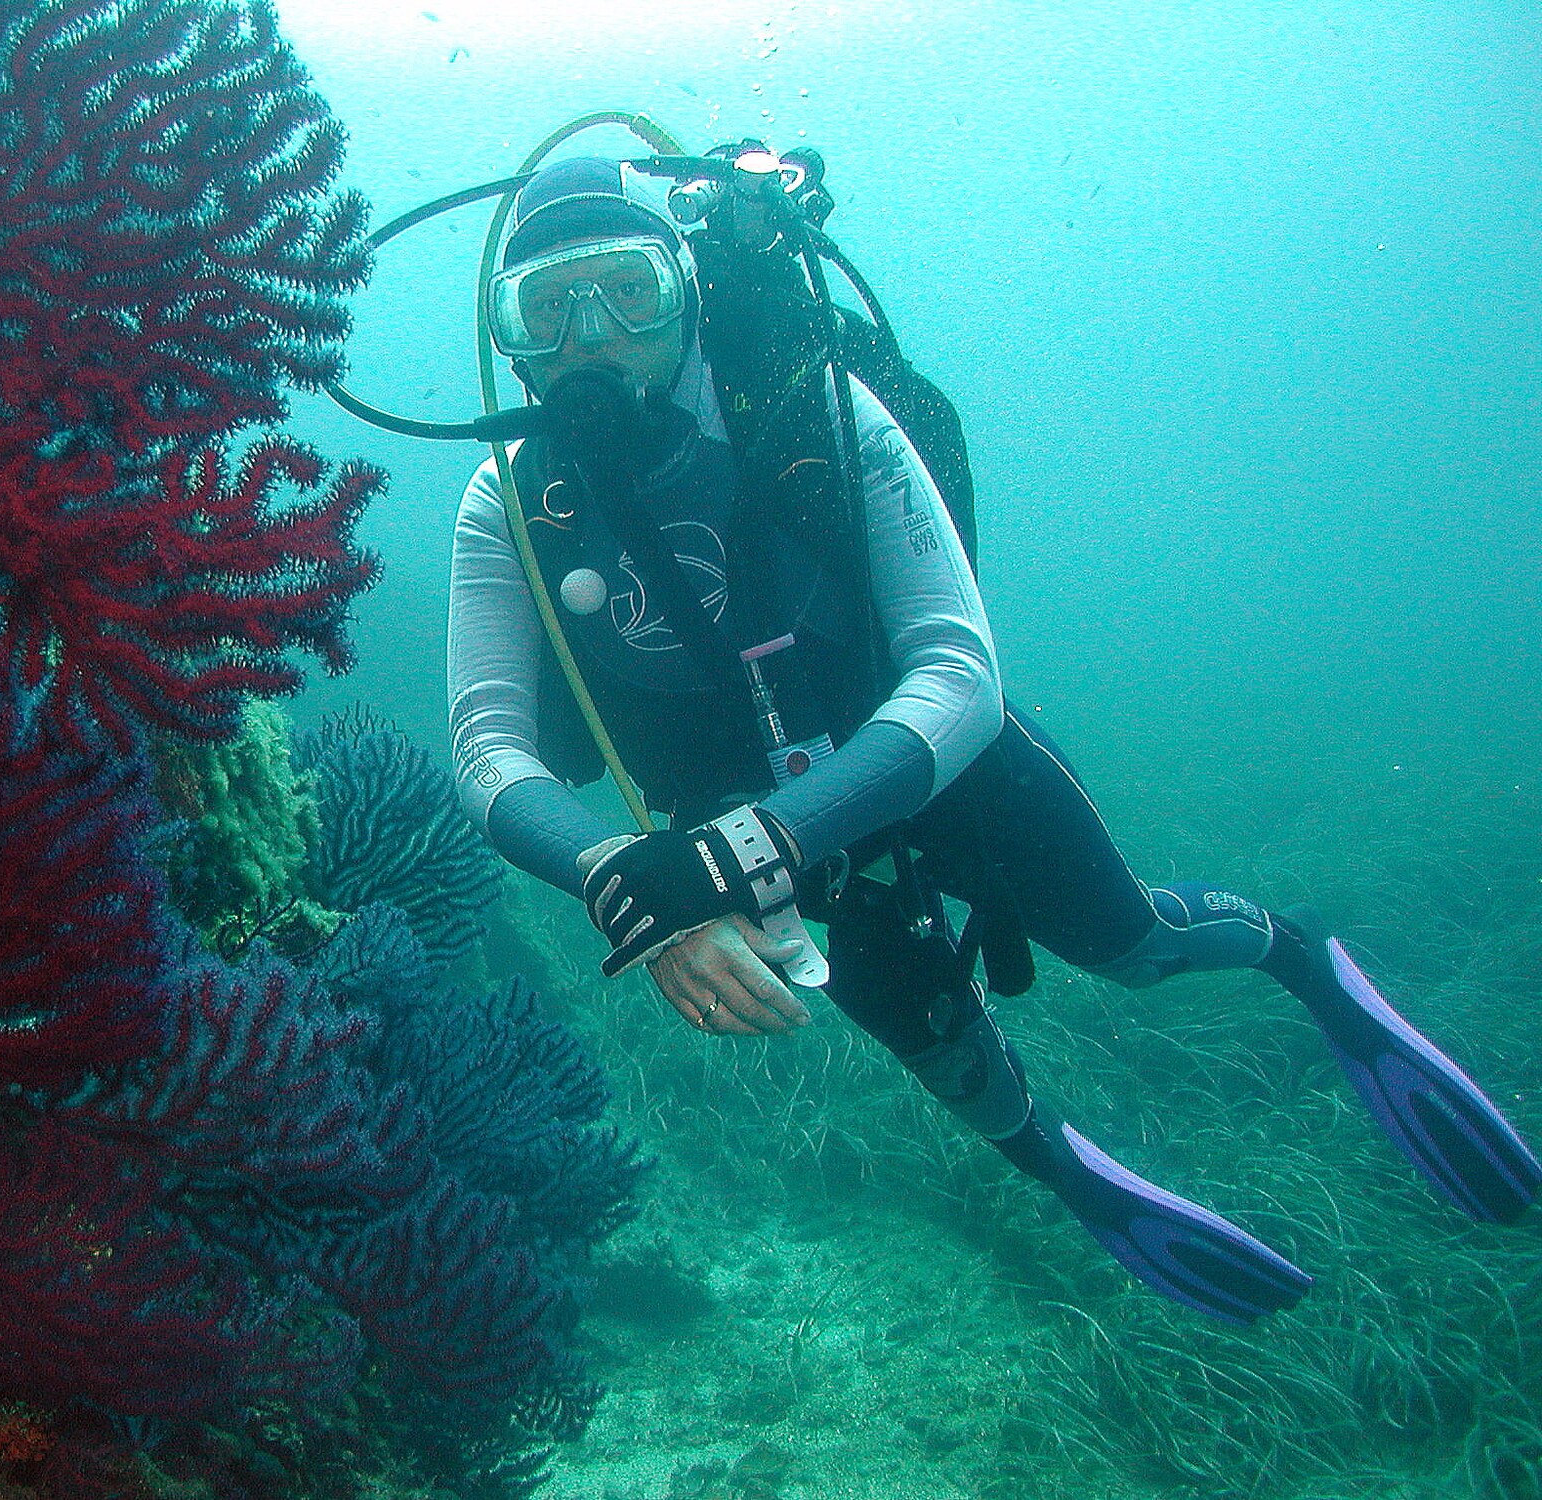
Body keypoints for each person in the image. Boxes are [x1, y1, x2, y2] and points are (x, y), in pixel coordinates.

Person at [444, 155, 1539, 1325]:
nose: (589, 335)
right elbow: (485, 742)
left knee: (1128, 947)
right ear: (507, 340)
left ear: (689, 298)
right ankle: (1078, 1182)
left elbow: (960, 674)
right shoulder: (506, 503)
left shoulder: (811, 407)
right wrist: (620, 875)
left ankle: (1295, 955)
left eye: (628, 290)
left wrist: (734, 853)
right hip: (769, 852)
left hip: (938, 774)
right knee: (953, 1066)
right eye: (547, 306)